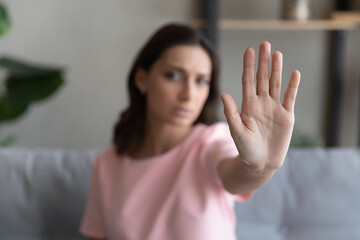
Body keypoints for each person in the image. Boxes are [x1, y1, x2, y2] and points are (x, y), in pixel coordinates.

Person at [79, 23, 300, 240]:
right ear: (142, 79)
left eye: (201, 81)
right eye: (173, 76)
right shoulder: (107, 164)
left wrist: (260, 167)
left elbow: (236, 177)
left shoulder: (210, 142)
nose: (188, 95)